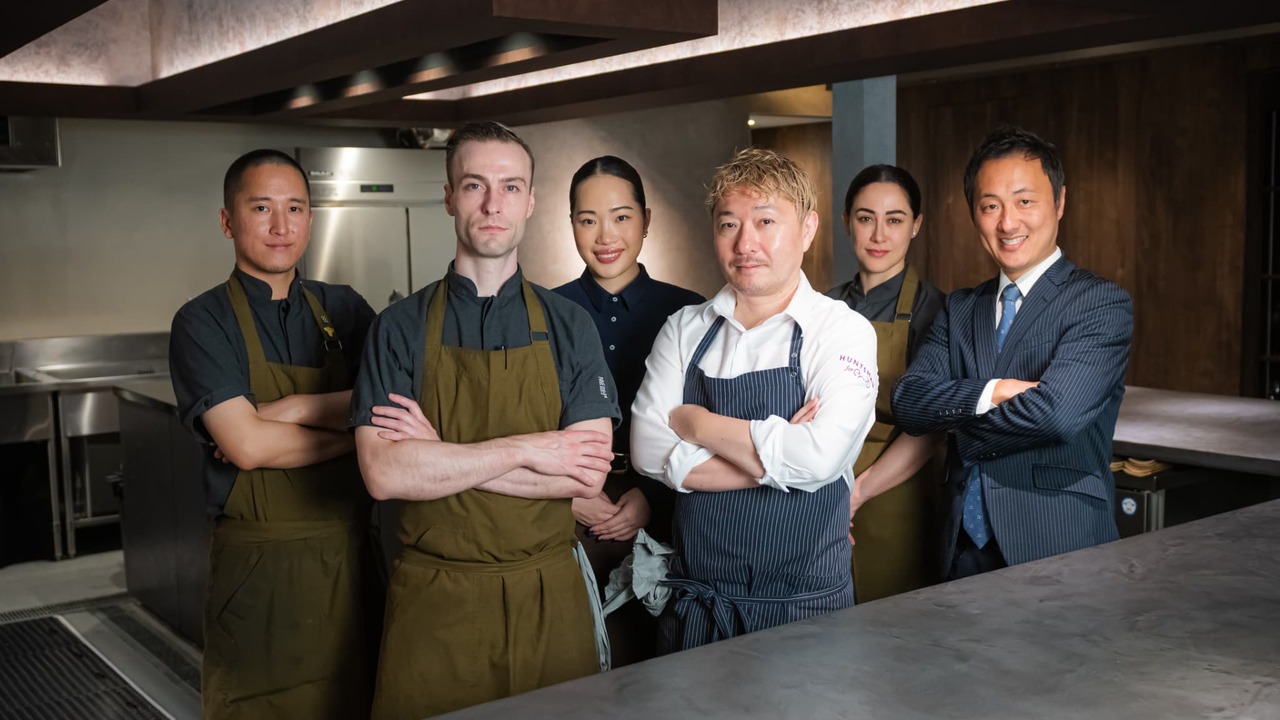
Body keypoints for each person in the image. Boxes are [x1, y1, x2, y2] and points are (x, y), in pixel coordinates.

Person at [350, 122, 620, 720]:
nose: (493, 204)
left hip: (549, 595)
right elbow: (385, 475)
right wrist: (531, 449)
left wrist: (441, 454)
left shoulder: (571, 325)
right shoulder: (397, 328)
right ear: (449, 197)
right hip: (434, 602)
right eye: (474, 185)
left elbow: (584, 478)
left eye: (510, 186)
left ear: (529, 201)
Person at [631, 147, 878, 653]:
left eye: (766, 221)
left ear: (808, 229)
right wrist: (780, 458)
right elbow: (646, 449)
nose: (746, 243)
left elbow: (820, 456)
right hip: (699, 603)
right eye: (729, 225)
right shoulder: (684, 329)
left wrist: (696, 424)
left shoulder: (842, 331)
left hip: (806, 606)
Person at [168, 149, 380, 719]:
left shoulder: (348, 310)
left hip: (360, 558)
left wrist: (286, 408)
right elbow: (247, 446)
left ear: (311, 218)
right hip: (261, 577)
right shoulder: (202, 321)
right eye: (261, 208)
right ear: (227, 220)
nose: (281, 226)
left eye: (295, 208)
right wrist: (356, 429)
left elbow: (392, 412)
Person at [892, 125, 1134, 580]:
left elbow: (1058, 414)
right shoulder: (959, 308)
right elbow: (909, 401)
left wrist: (956, 429)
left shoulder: (1099, 302)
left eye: (1025, 201)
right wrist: (996, 391)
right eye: (990, 206)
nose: (1007, 222)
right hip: (960, 548)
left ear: (1059, 203)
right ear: (974, 214)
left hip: (1060, 544)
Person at [553, 155, 704, 666]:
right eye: (587, 219)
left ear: (646, 220)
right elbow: (518, 426)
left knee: (667, 667)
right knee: (577, 665)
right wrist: (568, 498)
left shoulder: (691, 313)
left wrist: (652, 498)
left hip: (670, 507)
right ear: (570, 224)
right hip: (570, 512)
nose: (605, 235)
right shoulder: (544, 313)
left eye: (621, 216)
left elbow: (706, 426)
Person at [826, 164, 946, 603]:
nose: (878, 235)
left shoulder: (937, 312)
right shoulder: (825, 307)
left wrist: (858, 493)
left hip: (895, 493)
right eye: (865, 218)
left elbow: (931, 429)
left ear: (916, 226)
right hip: (823, 487)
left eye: (894, 220)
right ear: (846, 223)